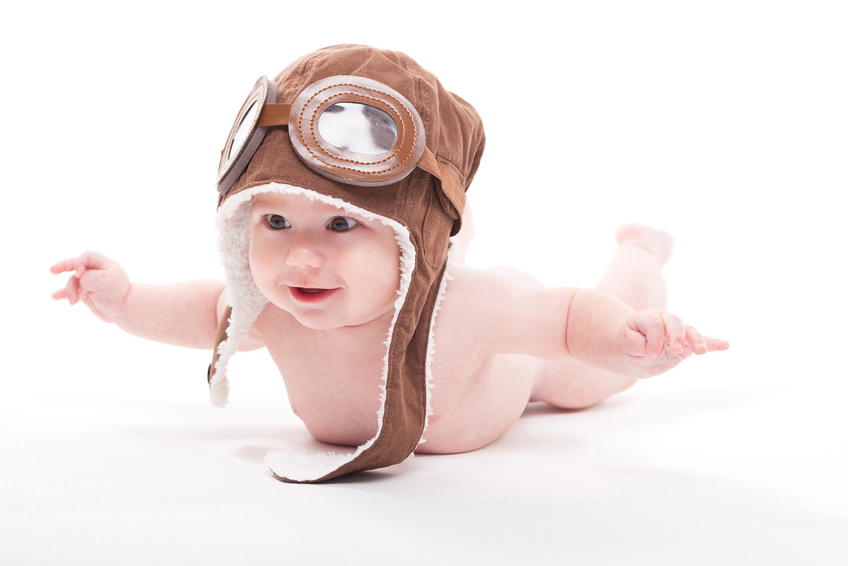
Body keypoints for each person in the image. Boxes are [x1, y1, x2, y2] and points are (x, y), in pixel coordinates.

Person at [50, 45, 728, 483]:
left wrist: (624, 337)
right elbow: (204, 313)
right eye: (275, 222)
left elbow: (565, 316)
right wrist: (127, 300)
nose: (302, 255)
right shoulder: (276, 309)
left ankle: (638, 255)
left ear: (412, 241)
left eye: (342, 223)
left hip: (521, 360)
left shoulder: (465, 309)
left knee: (582, 382)